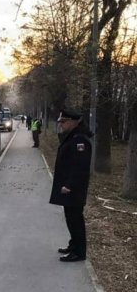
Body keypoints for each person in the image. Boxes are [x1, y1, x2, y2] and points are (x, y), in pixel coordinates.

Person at [49, 109, 93, 262]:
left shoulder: (79, 140)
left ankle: (79, 253)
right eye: (60, 121)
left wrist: (69, 185)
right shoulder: (72, 137)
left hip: (74, 189)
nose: (61, 124)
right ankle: (73, 244)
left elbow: (80, 167)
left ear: (74, 122)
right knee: (70, 218)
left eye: (64, 121)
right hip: (70, 187)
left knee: (75, 219)